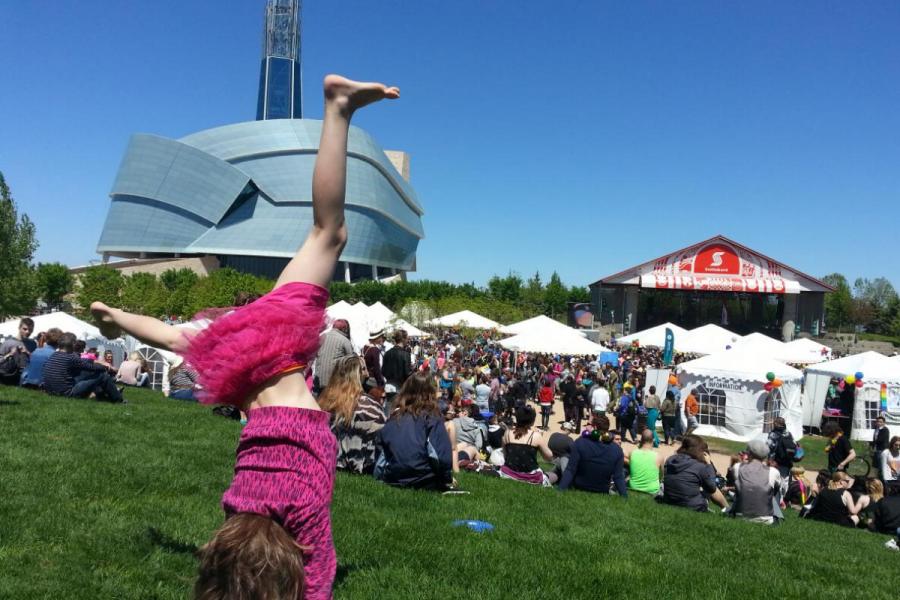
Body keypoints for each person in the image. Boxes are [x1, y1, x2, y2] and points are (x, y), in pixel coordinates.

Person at [92, 75, 401, 600]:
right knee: (179, 336)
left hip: (281, 372)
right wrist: (117, 316)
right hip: (246, 361)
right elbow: (170, 338)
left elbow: (319, 579)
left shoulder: (303, 511)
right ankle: (114, 313)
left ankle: (339, 109)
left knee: (329, 232)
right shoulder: (235, 501)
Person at [375, 372, 454, 490]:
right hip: (423, 479)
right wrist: (446, 478)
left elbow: (381, 454)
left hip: (393, 477)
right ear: (430, 393)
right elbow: (441, 456)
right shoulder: (432, 417)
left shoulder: (394, 417)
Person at [318, 355, 385, 475]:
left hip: (327, 459)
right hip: (364, 464)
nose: (367, 375)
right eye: (364, 369)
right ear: (356, 375)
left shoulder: (323, 402)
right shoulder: (370, 407)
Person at [41, 332, 123, 402]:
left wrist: (97, 363)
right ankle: (118, 399)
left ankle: (101, 393)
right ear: (73, 344)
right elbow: (90, 367)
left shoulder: (53, 355)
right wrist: (105, 368)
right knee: (102, 375)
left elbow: (83, 362)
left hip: (51, 391)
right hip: (67, 393)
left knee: (84, 373)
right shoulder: (71, 357)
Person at [559, 415, 627, 496]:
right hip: (602, 491)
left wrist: (560, 490)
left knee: (564, 458)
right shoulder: (617, 450)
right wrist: (624, 497)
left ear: (594, 428)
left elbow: (570, 470)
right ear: (607, 430)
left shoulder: (580, 442)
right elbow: (618, 477)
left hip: (579, 487)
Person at [662, 434, 728, 512]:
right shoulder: (699, 466)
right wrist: (709, 464)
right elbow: (712, 487)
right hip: (691, 505)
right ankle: (728, 509)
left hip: (668, 500)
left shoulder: (670, 460)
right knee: (712, 489)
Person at [499, 405, 557, 486]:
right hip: (530, 477)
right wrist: (541, 439)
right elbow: (549, 457)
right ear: (532, 421)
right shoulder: (536, 436)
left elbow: (505, 456)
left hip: (508, 473)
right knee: (554, 476)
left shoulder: (507, 433)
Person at [731, 439, 783, 525]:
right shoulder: (773, 472)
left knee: (741, 487)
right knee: (775, 489)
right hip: (766, 520)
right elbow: (776, 491)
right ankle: (777, 517)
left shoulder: (737, 467)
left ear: (748, 453)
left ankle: (734, 511)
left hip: (740, 516)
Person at [314, 318, 354, 393]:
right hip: (334, 381)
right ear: (344, 329)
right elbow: (351, 361)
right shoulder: (345, 340)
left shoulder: (322, 336)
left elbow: (315, 354)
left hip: (318, 379)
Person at [381, 329, 413, 413]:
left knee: (388, 413)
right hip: (400, 388)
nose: (408, 340)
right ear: (403, 339)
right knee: (398, 414)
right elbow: (407, 373)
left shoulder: (387, 353)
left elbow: (383, 371)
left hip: (388, 387)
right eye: (407, 338)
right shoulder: (405, 354)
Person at [626, 429, 663, 495]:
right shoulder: (659, 456)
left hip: (634, 487)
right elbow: (662, 476)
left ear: (641, 440)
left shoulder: (632, 453)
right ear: (653, 440)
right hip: (652, 490)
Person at [0, 317, 35, 385]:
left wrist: (27, 353)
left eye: (30, 330)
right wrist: (10, 354)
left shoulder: (32, 344)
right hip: (6, 377)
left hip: (25, 378)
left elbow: (35, 360)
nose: (27, 332)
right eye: (25, 329)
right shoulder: (8, 343)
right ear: (19, 328)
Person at [766, 416, 797, 481]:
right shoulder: (788, 433)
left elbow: (768, 448)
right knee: (785, 483)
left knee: (774, 481)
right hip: (787, 463)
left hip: (775, 463)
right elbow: (794, 445)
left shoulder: (773, 434)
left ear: (775, 424)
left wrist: (769, 460)